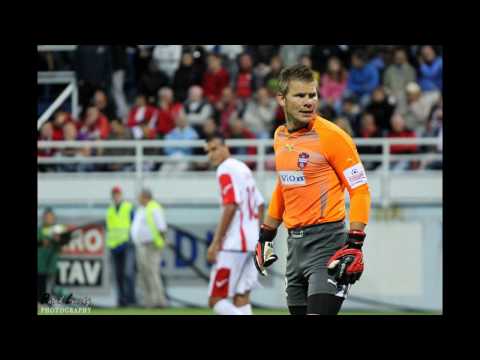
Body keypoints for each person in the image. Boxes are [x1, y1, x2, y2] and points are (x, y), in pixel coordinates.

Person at [253, 64, 371, 315]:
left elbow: (360, 190)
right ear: (281, 99)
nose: (309, 102)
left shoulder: (333, 137)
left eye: (312, 95)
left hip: (328, 245)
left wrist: (355, 242)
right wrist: (266, 235)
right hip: (294, 249)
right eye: (300, 95)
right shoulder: (280, 137)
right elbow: (284, 186)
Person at [205, 133, 265, 315]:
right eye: (208, 151)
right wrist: (258, 235)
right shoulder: (243, 168)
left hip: (234, 244)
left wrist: (216, 242)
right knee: (242, 296)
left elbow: (231, 205)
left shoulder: (224, 169)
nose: (211, 155)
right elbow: (260, 203)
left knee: (215, 299)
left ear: (225, 147)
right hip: (252, 242)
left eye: (214, 149)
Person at [131, 188, 169, 308]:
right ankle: (148, 301)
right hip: (142, 245)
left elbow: (162, 228)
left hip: (152, 245)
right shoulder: (143, 209)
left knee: (153, 273)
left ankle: (159, 302)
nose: (138, 199)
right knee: (144, 274)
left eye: (140, 197)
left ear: (145, 197)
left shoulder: (154, 207)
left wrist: (161, 243)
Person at [105, 186, 137, 307]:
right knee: (118, 275)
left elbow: (135, 224)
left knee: (128, 273)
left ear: (121, 195)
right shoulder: (110, 210)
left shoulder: (128, 207)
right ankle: (121, 300)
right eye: (114, 194)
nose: (116, 196)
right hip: (114, 246)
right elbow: (109, 228)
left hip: (127, 244)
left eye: (118, 194)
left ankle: (131, 299)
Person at [37, 208, 68, 304]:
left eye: (50, 217)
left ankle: (52, 304)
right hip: (40, 265)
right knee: (40, 289)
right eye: (47, 217)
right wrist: (43, 242)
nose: (48, 219)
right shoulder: (39, 230)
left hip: (52, 265)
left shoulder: (58, 231)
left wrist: (58, 240)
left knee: (53, 289)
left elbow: (61, 248)